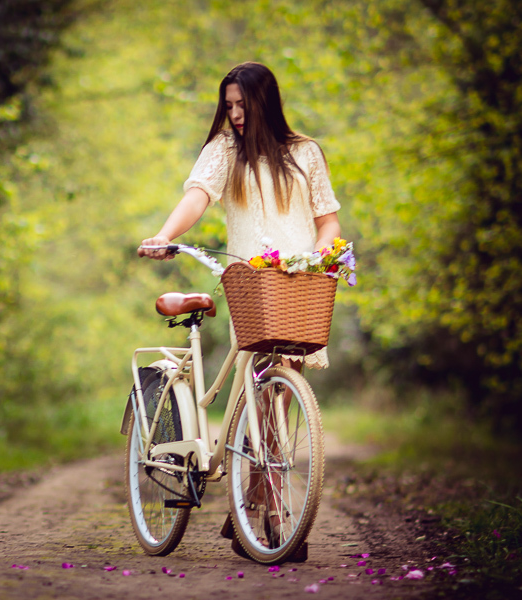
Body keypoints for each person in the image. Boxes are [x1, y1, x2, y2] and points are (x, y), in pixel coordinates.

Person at [137, 61, 342, 550]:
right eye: (227, 105)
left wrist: (317, 257)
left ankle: (250, 506)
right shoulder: (225, 151)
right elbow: (198, 197)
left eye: (242, 104)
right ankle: (267, 512)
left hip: (297, 286)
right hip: (253, 287)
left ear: (264, 101)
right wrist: (165, 235)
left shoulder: (304, 153)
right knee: (263, 400)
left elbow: (328, 220)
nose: (235, 113)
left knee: (280, 396)